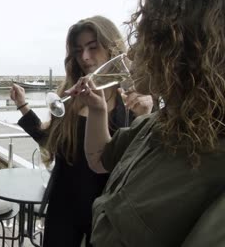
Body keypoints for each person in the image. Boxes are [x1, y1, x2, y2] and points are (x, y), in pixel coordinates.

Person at [73, 0, 225, 246]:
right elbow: (99, 160)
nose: (131, 50)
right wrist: (97, 110)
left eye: (144, 38)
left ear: (180, 51)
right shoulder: (158, 124)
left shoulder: (216, 158)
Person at [9, 16, 153, 246]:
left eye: (93, 47)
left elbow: (139, 162)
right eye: (78, 51)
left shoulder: (132, 98)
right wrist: (23, 106)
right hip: (64, 203)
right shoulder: (71, 94)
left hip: (107, 208)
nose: (85, 57)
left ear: (112, 48)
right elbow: (50, 141)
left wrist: (146, 115)